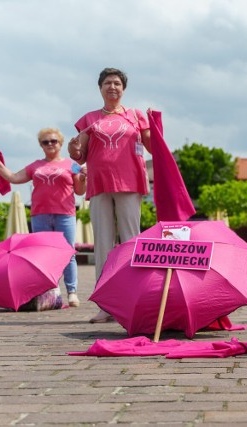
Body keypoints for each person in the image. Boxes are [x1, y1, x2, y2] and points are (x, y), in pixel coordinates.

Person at [68, 67, 152, 323]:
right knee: (103, 243)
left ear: (123, 88)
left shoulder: (136, 116)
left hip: (130, 181)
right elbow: (78, 154)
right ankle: (106, 304)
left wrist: (155, 127)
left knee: (131, 240)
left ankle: (135, 299)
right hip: (100, 182)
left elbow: (152, 146)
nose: (112, 87)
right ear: (100, 88)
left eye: (117, 83)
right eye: (107, 83)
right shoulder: (90, 119)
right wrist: (73, 148)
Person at [0, 128, 86, 308]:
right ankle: (51, 290)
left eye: (54, 141)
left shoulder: (71, 164)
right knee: (42, 255)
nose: (50, 144)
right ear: (40, 145)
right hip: (40, 214)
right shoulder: (35, 165)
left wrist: (83, 178)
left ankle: (72, 291)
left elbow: (80, 190)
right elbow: (14, 177)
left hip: (65, 213)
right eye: (45, 142)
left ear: (60, 143)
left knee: (69, 253)